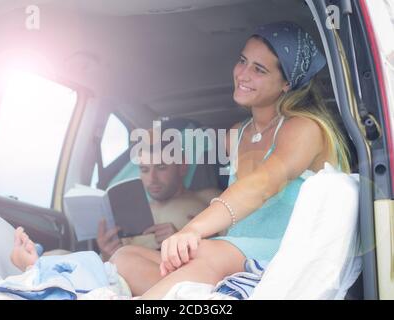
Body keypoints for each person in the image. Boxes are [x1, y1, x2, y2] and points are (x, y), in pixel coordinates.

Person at [110, 21, 351, 299]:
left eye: (259, 69)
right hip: (232, 251)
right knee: (125, 256)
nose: (243, 74)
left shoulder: (304, 127)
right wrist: (186, 237)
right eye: (243, 61)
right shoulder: (236, 134)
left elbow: (262, 185)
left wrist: (192, 231)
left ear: (287, 83)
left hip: (283, 252)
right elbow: (238, 217)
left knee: (207, 251)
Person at [96, 140, 221, 262]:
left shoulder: (209, 199)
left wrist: (182, 245)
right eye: (144, 170)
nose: (152, 179)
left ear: (182, 166)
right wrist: (107, 254)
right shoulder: (131, 215)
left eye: (161, 168)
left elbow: (233, 249)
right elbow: (113, 265)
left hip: (188, 275)